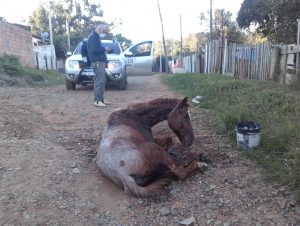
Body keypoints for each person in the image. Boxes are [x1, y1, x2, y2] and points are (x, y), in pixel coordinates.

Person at [87, 24, 110, 107]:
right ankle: (97, 100)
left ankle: (101, 99)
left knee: (102, 80)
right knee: (99, 81)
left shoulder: (95, 36)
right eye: (103, 31)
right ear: (99, 29)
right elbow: (94, 50)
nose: (103, 32)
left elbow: (96, 48)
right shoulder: (94, 37)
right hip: (97, 62)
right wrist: (104, 49)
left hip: (100, 61)